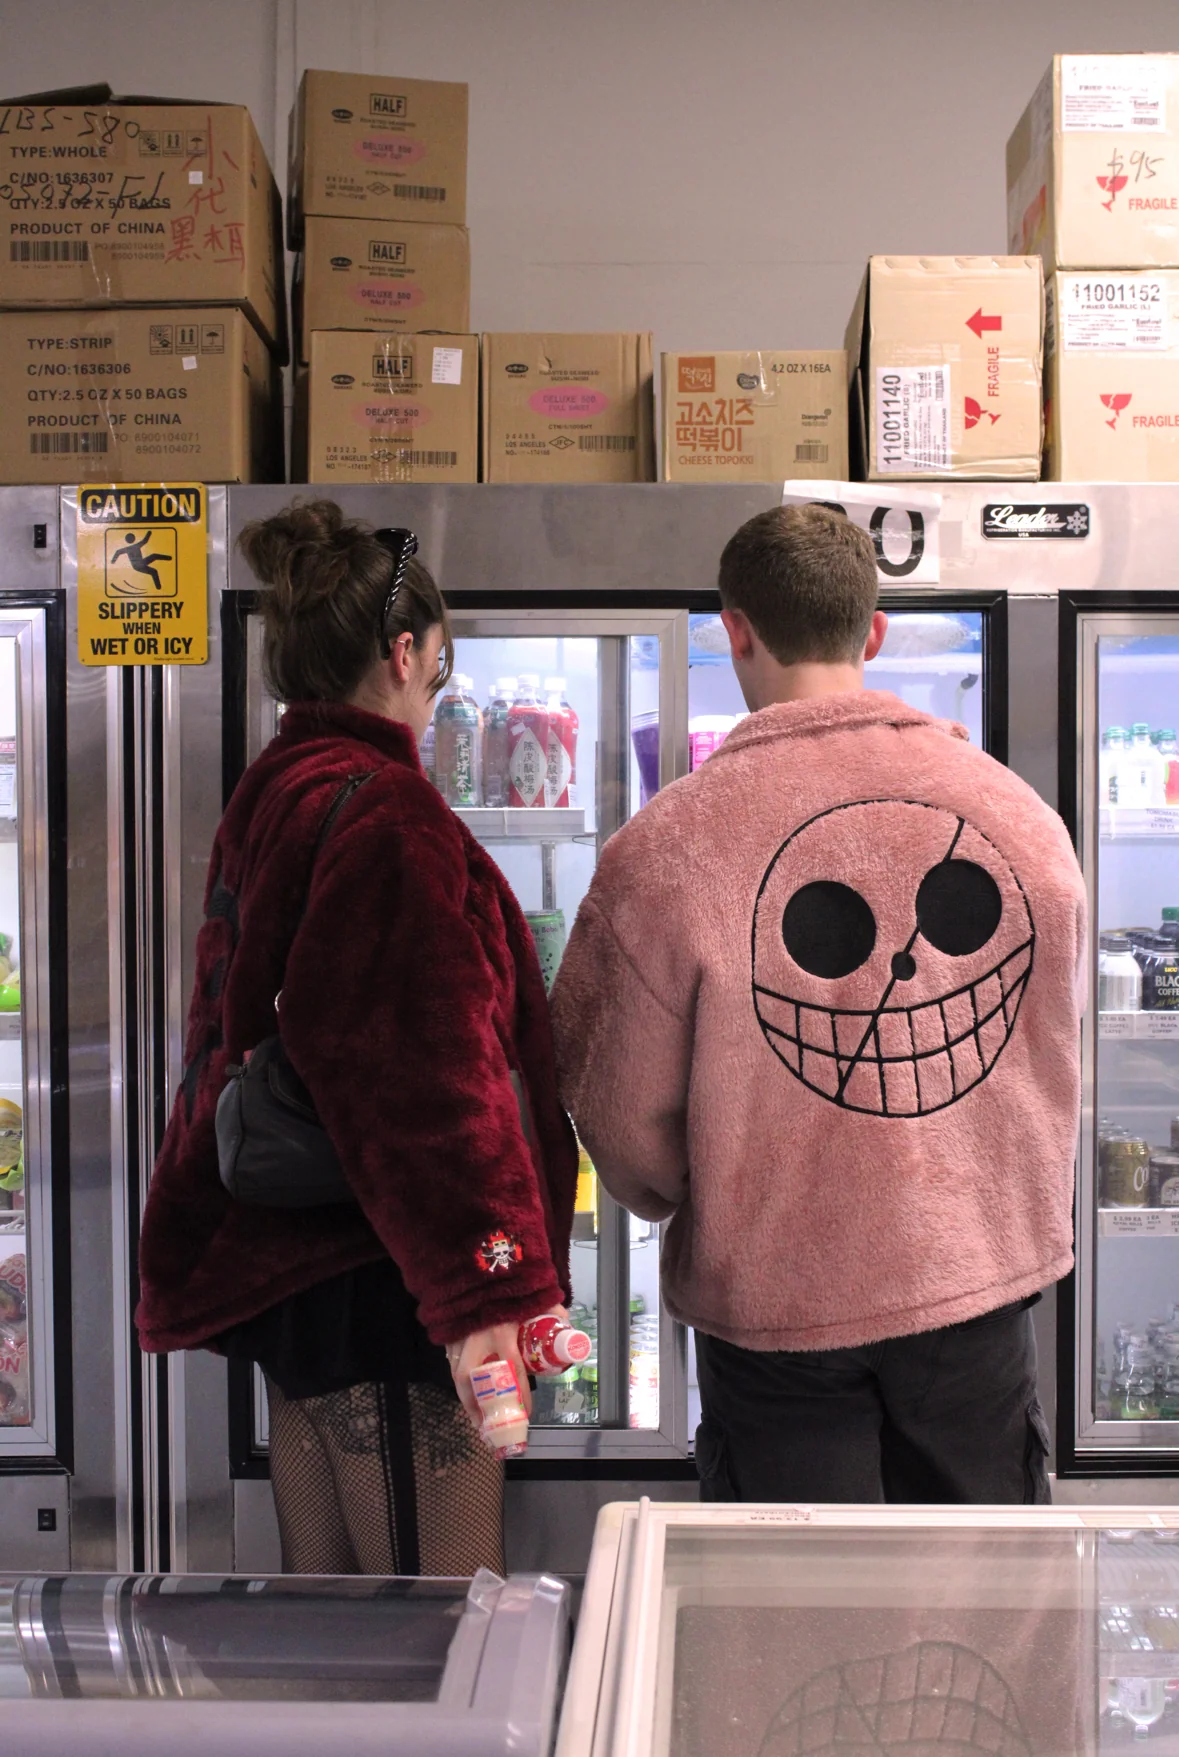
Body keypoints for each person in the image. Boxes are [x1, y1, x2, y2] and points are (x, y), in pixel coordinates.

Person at [550, 503, 1087, 1505]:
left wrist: (705, 1180)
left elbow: (613, 1110)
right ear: (871, 632)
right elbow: (1053, 1043)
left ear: (734, 629)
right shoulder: (1020, 819)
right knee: (980, 1588)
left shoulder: (666, 849)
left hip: (773, 1302)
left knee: (790, 1594)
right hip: (972, 1283)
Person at [137, 499, 576, 1575]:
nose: (438, 688)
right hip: (389, 1274)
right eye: (440, 664)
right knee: (442, 1616)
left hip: (300, 1268)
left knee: (334, 1611)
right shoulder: (388, 813)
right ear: (403, 651)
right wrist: (490, 1284)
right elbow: (422, 1081)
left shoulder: (278, 788)